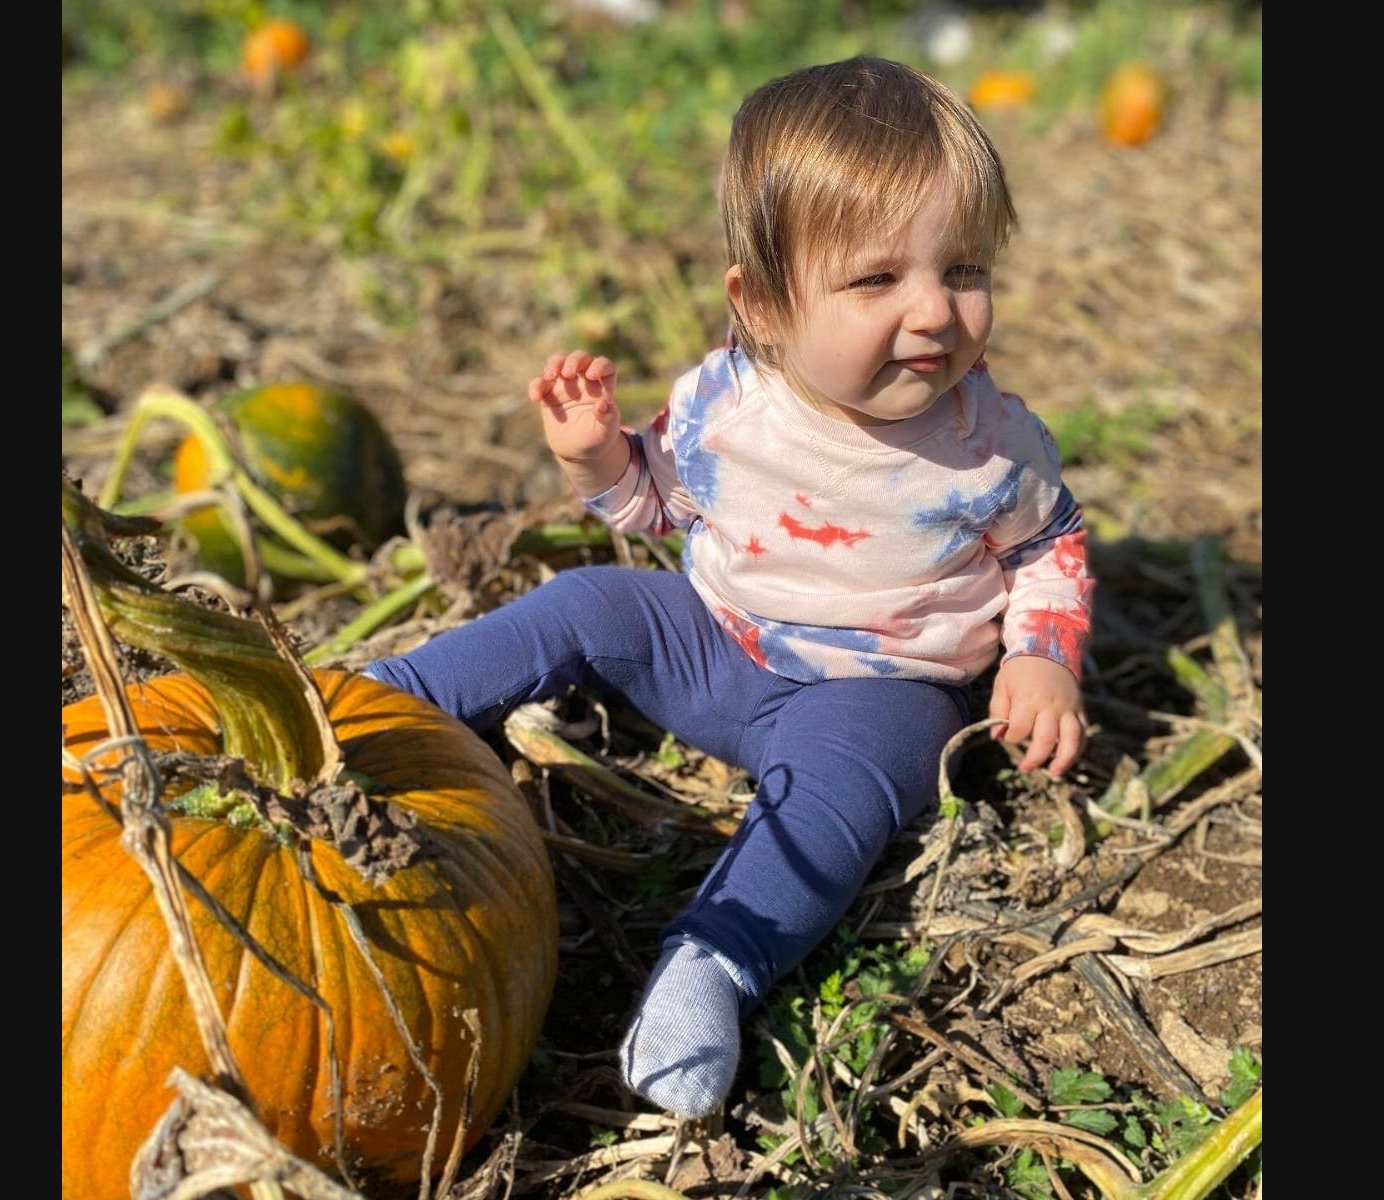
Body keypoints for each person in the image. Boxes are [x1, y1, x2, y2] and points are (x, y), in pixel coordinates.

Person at [363, 55, 1093, 1119]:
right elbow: (658, 504)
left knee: (842, 793)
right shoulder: (725, 402)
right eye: (877, 281)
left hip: (879, 691)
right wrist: (600, 461)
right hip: (716, 646)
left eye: (966, 269)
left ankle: (712, 962)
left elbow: (1050, 549)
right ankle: (379, 698)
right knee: (588, 604)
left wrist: (1040, 655)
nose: (935, 311)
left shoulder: (992, 447)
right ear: (761, 305)